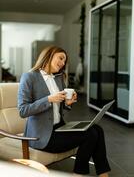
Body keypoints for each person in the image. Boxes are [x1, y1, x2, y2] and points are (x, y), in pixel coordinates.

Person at [18, 45, 111, 177]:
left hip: (59, 128)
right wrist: (48, 99)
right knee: (90, 134)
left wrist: (67, 103)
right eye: (60, 58)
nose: (63, 63)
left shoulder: (58, 78)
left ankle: (103, 174)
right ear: (49, 56)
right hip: (42, 136)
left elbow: (59, 105)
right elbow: (23, 110)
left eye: (64, 61)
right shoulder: (29, 77)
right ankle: (79, 174)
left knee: (97, 129)